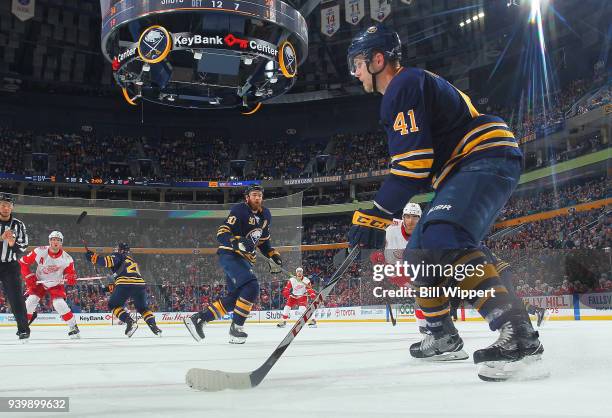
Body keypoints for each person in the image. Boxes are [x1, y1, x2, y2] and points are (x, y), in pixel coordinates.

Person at [346, 24, 542, 380]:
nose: (355, 72)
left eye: (357, 63)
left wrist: (374, 216)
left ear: (378, 60)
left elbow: (412, 167)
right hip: (467, 165)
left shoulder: (402, 85)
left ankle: (519, 334)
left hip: (482, 156)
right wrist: (376, 216)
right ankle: (441, 334)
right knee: (419, 251)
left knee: (442, 234)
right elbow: (416, 169)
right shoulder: (407, 88)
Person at [184, 185, 282, 344]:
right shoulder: (239, 210)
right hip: (230, 254)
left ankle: (199, 319)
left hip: (245, 259)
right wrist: (236, 241)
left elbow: (263, 242)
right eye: (254, 195)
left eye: (260, 195)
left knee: (235, 298)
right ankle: (236, 328)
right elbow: (222, 232)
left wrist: (273, 256)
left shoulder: (266, 215)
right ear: (247, 197)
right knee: (252, 286)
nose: (257, 198)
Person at [85, 242, 161, 338]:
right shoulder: (132, 260)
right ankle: (154, 326)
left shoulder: (118, 255)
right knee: (143, 309)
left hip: (125, 284)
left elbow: (106, 262)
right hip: (140, 285)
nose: (115, 250)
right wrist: (109, 288)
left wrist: (93, 257)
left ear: (121, 250)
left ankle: (129, 321)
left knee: (113, 305)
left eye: (117, 249)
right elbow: (127, 276)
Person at [19, 231, 80, 338]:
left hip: (55, 283)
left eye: (57, 240)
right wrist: (28, 276)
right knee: (30, 302)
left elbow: (71, 274)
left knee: (59, 304)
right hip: (39, 282)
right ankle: (24, 328)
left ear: (61, 242)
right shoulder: (39, 251)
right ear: (49, 241)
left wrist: (71, 278)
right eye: (52, 239)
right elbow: (22, 262)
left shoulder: (67, 258)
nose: (55, 242)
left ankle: (73, 326)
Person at [0, 193, 30, 340]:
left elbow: (23, 247)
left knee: (16, 298)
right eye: (2, 205)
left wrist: (12, 243)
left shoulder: (19, 224)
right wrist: (1, 238)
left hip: (10, 266)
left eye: (8, 205)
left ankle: (23, 330)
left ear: (12, 207)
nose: (5, 208)